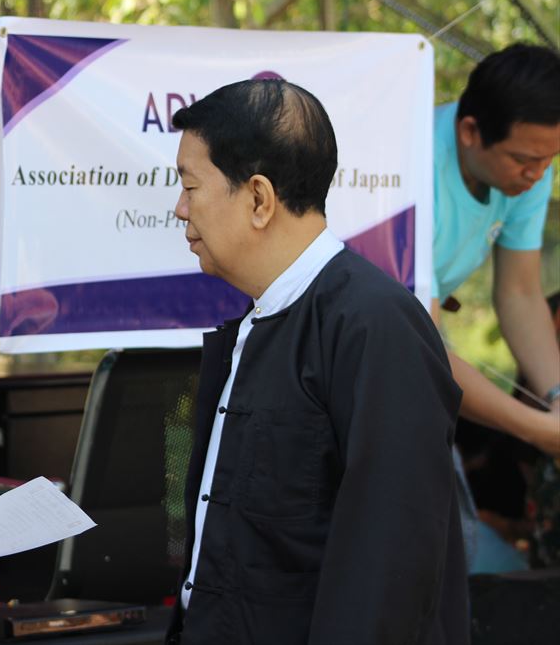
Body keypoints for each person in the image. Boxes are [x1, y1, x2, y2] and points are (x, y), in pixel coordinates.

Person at [166, 80, 467, 645]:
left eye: (190, 186)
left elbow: (391, 567)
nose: (180, 208)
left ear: (259, 199)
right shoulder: (260, 319)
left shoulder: (375, 324)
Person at [431, 44, 560, 458]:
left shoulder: (531, 169)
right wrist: (535, 429)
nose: (537, 175)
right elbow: (418, 347)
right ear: (470, 132)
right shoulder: (414, 169)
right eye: (524, 159)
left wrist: (557, 396)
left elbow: (520, 293)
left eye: (549, 159)